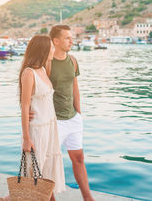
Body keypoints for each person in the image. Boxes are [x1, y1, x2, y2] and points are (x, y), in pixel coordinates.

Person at [0, 35, 65, 201]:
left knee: (46, 175)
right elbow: (25, 106)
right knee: (34, 177)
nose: (53, 50)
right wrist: (26, 139)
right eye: (51, 47)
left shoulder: (42, 69)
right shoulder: (29, 73)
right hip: (37, 130)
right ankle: (8, 199)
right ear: (43, 50)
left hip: (50, 128)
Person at [45, 25, 94, 201]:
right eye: (67, 38)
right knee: (49, 163)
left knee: (79, 158)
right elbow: (34, 89)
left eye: (71, 38)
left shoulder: (72, 60)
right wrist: (29, 112)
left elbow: (75, 89)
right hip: (53, 121)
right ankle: (50, 199)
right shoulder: (47, 63)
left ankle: (88, 198)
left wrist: (79, 113)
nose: (71, 41)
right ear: (56, 41)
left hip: (73, 119)